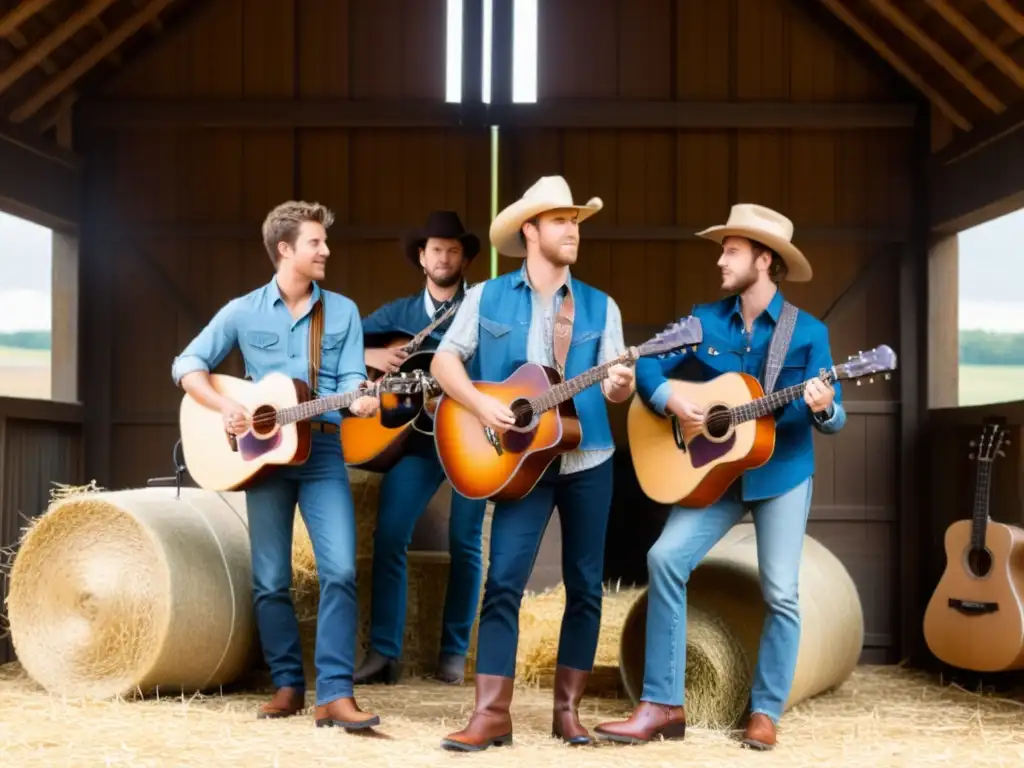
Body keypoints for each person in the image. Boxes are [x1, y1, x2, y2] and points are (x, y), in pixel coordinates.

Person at [594, 204, 847, 751]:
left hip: (781, 474)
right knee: (665, 557)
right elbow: (649, 362)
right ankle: (662, 705)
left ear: (764, 259)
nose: (720, 260)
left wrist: (824, 406)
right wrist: (671, 400)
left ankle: (764, 711)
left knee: (781, 592)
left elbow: (836, 415)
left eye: (730, 250)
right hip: (714, 473)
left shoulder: (808, 333)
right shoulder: (702, 319)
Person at [429, 176, 635, 752]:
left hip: (588, 455)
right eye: (561, 220)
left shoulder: (600, 305)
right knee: (502, 582)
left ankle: (566, 713)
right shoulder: (487, 297)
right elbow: (446, 362)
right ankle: (492, 714)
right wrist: (482, 406)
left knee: (586, 586)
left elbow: (619, 390)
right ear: (531, 230)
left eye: (576, 221)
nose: (573, 230)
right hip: (516, 459)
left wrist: (620, 383)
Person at [171, 200, 382, 731]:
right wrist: (229, 408)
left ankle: (335, 694)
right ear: (285, 249)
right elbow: (187, 365)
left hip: (323, 452)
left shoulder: (345, 311)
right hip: (261, 458)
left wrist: (362, 400)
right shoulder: (242, 311)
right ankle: (287, 684)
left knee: (340, 570)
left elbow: (355, 381)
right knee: (269, 579)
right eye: (316, 242)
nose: (326, 250)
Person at [352, 210, 489, 686]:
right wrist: (369, 355)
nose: (444, 257)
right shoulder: (398, 315)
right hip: (416, 443)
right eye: (436, 249)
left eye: (453, 250)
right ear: (421, 257)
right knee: (389, 536)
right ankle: (385, 652)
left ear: (465, 258)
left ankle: (453, 652)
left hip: (471, 440)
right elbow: (337, 344)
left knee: (465, 543)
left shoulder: (484, 311)